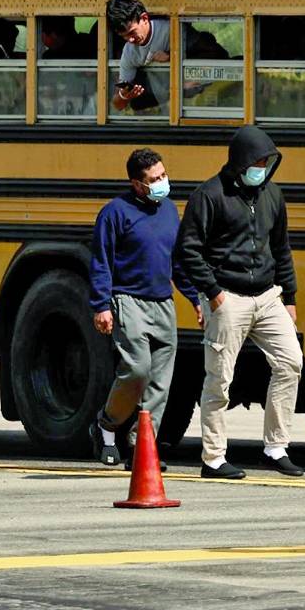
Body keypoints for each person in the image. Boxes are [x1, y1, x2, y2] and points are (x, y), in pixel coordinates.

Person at [175, 126, 303, 480]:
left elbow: (281, 249)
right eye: (258, 161)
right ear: (240, 161)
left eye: (267, 161)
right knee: (219, 379)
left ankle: (276, 447)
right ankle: (213, 458)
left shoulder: (272, 195)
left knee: (291, 362)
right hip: (226, 297)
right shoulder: (209, 196)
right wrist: (212, 291)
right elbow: (188, 249)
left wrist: (289, 297)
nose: (262, 168)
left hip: (267, 296)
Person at [88, 148, 202, 467]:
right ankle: (107, 426)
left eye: (164, 175)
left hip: (163, 302)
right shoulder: (114, 212)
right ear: (137, 184)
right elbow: (101, 262)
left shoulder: (169, 211)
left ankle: (141, 445)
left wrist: (195, 298)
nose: (163, 182)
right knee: (137, 370)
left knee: (160, 381)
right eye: (155, 179)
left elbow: (177, 262)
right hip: (128, 300)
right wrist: (101, 306)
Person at [106, 0, 169, 112]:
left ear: (144, 18)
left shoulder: (170, 31)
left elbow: (210, 53)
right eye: (124, 36)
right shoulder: (129, 52)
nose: (130, 40)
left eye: (132, 32)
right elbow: (117, 105)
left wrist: (173, 56)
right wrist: (124, 95)